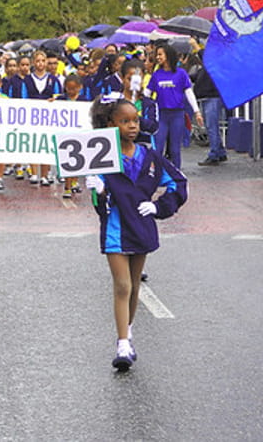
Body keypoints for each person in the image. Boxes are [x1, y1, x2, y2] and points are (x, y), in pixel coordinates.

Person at [85, 97, 187, 372]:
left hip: (142, 227)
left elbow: (178, 183)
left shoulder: (150, 156)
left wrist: (158, 206)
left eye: (135, 121)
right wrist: (99, 190)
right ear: (110, 124)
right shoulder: (102, 157)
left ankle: (128, 332)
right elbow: (99, 204)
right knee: (122, 286)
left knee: (134, 285)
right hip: (116, 228)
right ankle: (121, 344)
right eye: (124, 121)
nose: (132, 126)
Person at [147, 45, 202, 169]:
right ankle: (157, 174)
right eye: (157, 54)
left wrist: (197, 112)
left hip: (177, 115)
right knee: (158, 146)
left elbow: (189, 93)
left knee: (175, 148)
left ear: (168, 56)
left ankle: (177, 174)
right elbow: (147, 93)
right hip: (161, 115)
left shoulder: (181, 73)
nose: (157, 57)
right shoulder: (156, 74)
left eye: (160, 54)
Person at [23, 51, 61, 186]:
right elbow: (23, 98)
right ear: (34, 63)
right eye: (37, 61)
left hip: (48, 117)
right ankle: (34, 172)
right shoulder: (27, 80)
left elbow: (58, 96)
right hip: (32, 117)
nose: (40, 63)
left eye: (43, 61)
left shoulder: (53, 80)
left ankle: (45, 174)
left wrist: (54, 100)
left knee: (45, 145)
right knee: (33, 144)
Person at [194, 65, 228, 166]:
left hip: (212, 97)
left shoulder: (213, 63)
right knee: (212, 126)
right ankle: (220, 152)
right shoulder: (207, 66)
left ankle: (214, 155)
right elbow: (198, 76)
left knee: (211, 127)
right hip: (209, 97)